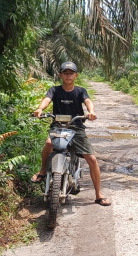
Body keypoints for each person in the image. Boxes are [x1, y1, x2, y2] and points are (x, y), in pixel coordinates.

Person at [31, 61, 110, 206]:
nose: (68, 75)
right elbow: (46, 100)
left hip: (76, 127)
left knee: (92, 159)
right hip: (58, 127)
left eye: (71, 73)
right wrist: (40, 109)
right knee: (48, 143)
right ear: (60, 75)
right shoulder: (54, 90)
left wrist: (91, 112)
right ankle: (42, 171)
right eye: (65, 73)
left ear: (76, 75)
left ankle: (98, 194)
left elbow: (88, 101)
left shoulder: (80, 91)